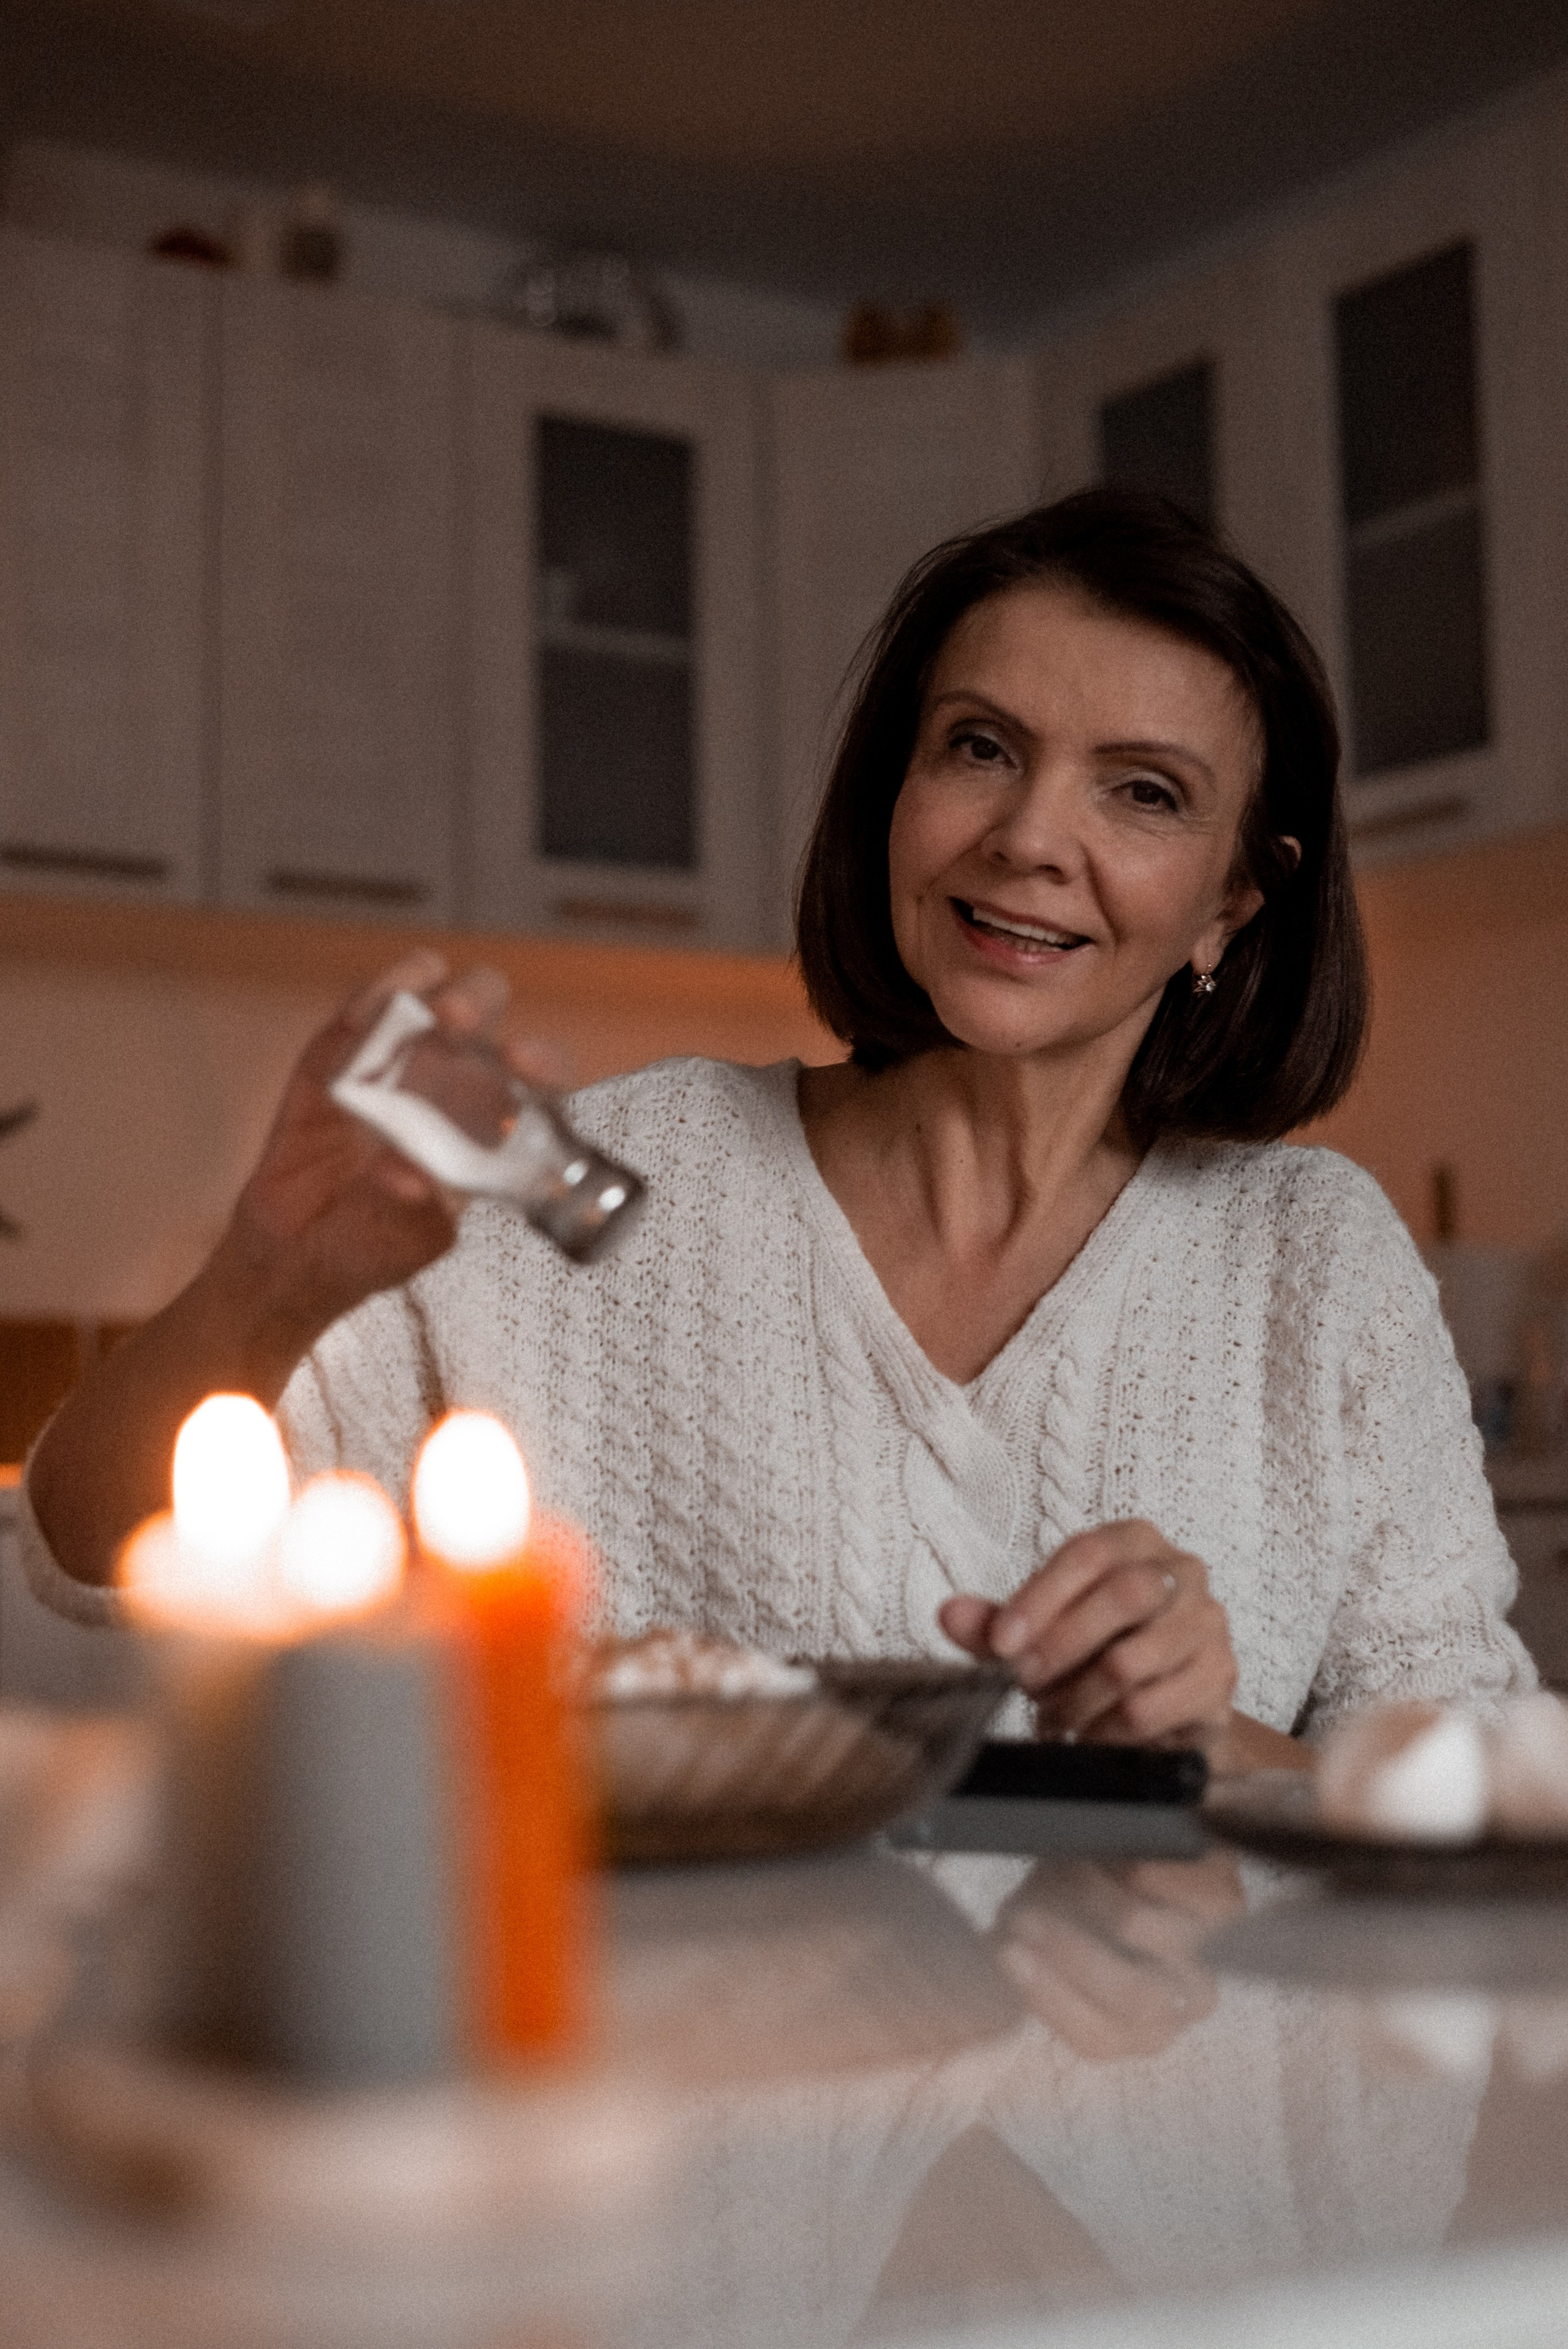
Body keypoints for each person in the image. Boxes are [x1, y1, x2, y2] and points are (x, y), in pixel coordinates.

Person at [23, 489, 1531, 1767]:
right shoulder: (593, 1196)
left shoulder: (1312, 1268)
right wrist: (265, 1277)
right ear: (896, 791)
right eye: (979, 748)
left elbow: (1473, 1774)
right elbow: (93, 1557)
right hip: (654, 2095)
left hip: (1170, 2108)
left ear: (1230, 899)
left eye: (1140, 792)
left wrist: (1217, 1743)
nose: (1025, 839)